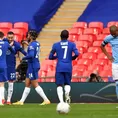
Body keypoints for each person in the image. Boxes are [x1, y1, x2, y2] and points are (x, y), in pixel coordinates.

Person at [13, 30, 50, 105]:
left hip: (33, 65)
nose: (27, 36)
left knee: (35, 84)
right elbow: (31, 51)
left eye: (28, 35)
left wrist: (23, 58)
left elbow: (31, 55)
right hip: (33, 65)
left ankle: (46, 100)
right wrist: (27, 45)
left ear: (31, 36)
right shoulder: (36, 43)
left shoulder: (32, 45)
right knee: (27, 83)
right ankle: (21, 101)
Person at [49, 30, 79, 103]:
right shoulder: (72, 44)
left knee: (59, 85)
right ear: (68, 36)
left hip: (60, 67)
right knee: (67, 83)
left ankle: (61, 101)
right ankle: (67, 94)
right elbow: (77, 53)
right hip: (68, 66)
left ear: (60, 36)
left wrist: (56, 57)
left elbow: (50, 56)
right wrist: (72, 58)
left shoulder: (56, 45)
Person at [3, 31, 27, 105]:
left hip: (11, 67)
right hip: (3, 66)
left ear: (14, 37)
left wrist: (30, 55)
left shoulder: (16, 44)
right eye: (9, 37)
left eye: (11, 38)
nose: (10, 39)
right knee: (1, 83)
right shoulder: (3, 42)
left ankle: (9, 100)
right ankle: (2, 99)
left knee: (11, 83)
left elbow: (24, 52)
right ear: (6, 37)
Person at [101, 25, 118, 98]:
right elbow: (101, 46)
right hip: (115, 63)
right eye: (112, 34)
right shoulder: (108, 38)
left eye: (115, 33)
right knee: (117, 83)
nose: (113, 35)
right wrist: (108, 55)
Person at [0, 31, 14, 105]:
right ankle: (1, 101)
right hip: (2, 65)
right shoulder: (6, 43)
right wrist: (10, 46)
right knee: (1, 83)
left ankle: (1, 99)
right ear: (3, 37)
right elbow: (13, 51)